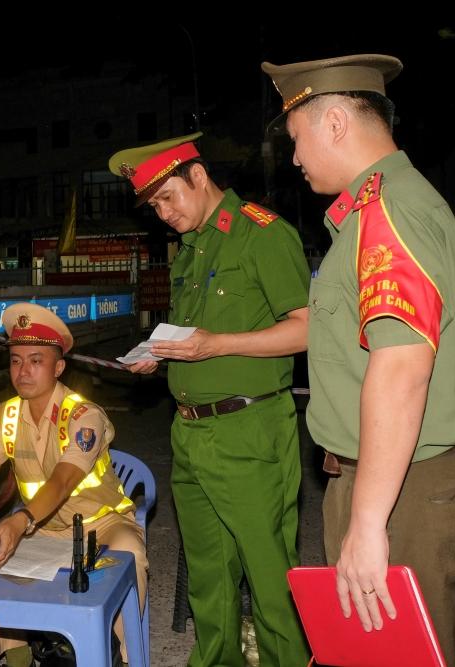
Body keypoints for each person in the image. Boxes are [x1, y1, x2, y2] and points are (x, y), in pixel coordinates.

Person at [262, 53, 455, 666]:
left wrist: (369, 524)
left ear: (335, 121)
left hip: (407, 489)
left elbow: (401, 368)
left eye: (297, 137)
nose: (295, 157)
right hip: (402, 481)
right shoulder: (389, 206)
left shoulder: (387, 213)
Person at [109, 133, 310, 666]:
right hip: (191, 432)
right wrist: (163, 353)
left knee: (269, 575)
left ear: (198, 176)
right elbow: (195, 334)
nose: (163, 214)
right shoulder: (193, 249)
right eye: (154, 206)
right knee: (208, 575)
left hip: (248, 428)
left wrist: (214, 345)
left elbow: (306, 330)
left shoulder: (261, 235)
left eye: (168, 197)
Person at [0, 302, 147, 665]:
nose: (23, 371)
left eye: (36, 360)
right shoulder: (6, 418)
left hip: (103, 525)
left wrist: (19, 521)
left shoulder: (82, 415)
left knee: (130, 557)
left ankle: (122, 655)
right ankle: (14, 658)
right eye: (15, 360)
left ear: (58, 367)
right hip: (41, 529)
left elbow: (62, 482)